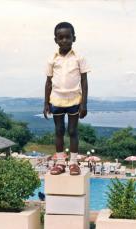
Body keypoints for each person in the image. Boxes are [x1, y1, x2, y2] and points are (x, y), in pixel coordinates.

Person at [43, 22, 90, 176]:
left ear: (73, 38)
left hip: (74, 100)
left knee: (72, 131)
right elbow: (48, 82)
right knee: (59, 131)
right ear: (55, 40)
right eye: (60, 37)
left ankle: (74, 163)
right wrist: (46, 103)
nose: (64, 40)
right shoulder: (52, 59)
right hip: (56, 99)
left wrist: (84, 103)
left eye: (67, 37)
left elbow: (84, 81)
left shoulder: (79, 58)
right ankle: (60, 162)